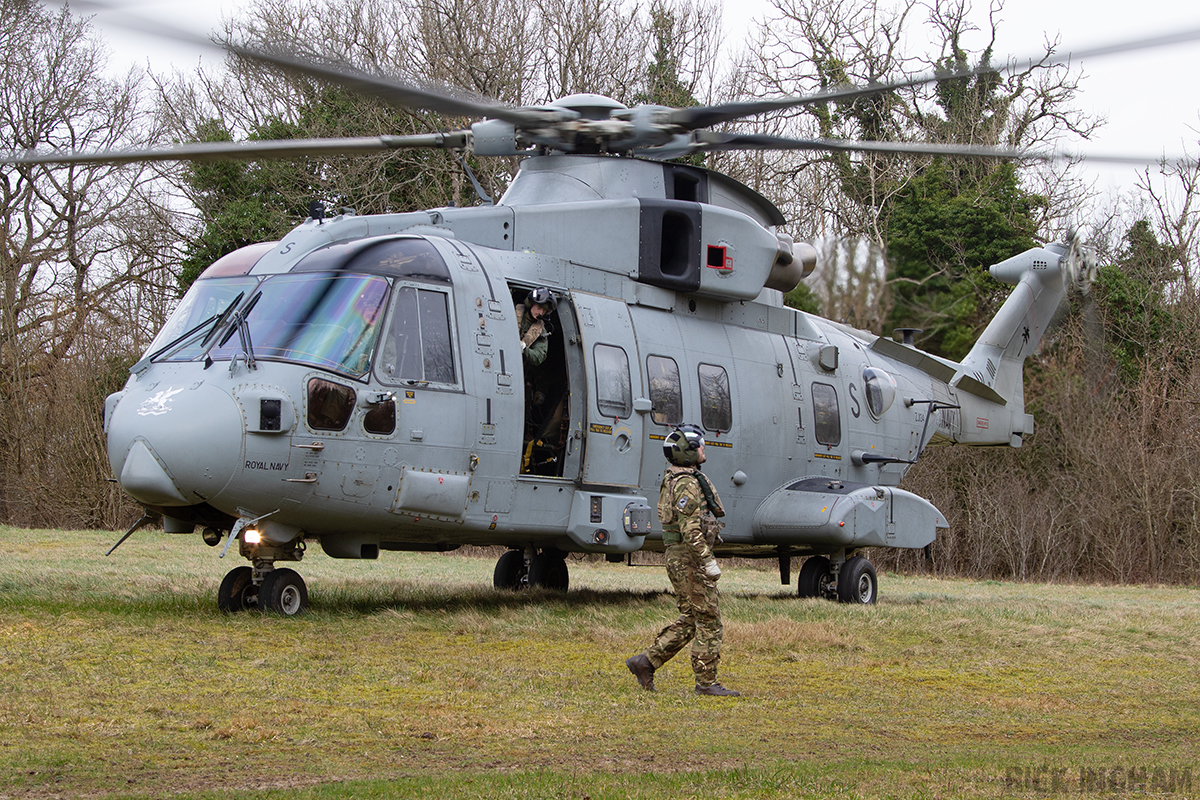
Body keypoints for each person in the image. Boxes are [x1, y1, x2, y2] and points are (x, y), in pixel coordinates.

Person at [626, 424, 740, 697]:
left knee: (691, 618)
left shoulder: (676, 478)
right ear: (686, 452)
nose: (703, 449)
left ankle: (645, 662)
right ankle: (706, 683)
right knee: (709, 621)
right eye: (699, 446)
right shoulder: (687, 483)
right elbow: (690, 530)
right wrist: (707, 560)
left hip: (680, 556)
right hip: (689, 557)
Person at [516, 287, 555, 367]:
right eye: (539, 308)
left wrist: (524, 349)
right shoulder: (512, 312)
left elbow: (539, 356)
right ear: (531, 304)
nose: (541, 313)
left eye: (544, 310)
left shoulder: (541, 330)